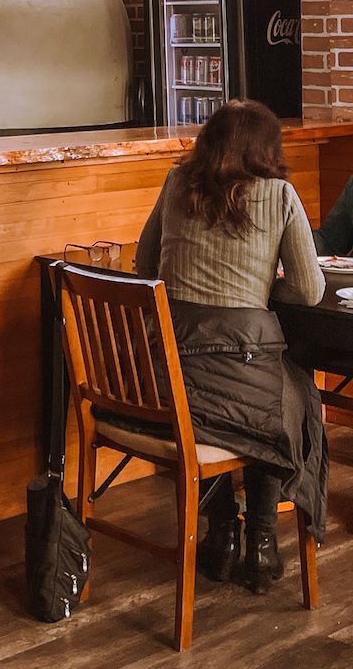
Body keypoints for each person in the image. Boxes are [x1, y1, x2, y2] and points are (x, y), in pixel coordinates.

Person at [135, 99, 325, 593]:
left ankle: (221, 534)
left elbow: (144, 263)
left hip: (166, 380)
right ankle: (262, 541)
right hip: (241, 361)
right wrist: (262, 287)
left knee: (236, 401)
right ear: (268, 149)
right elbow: (310, 291)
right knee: (289, 399)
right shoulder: (280, 195)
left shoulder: (177, 184)